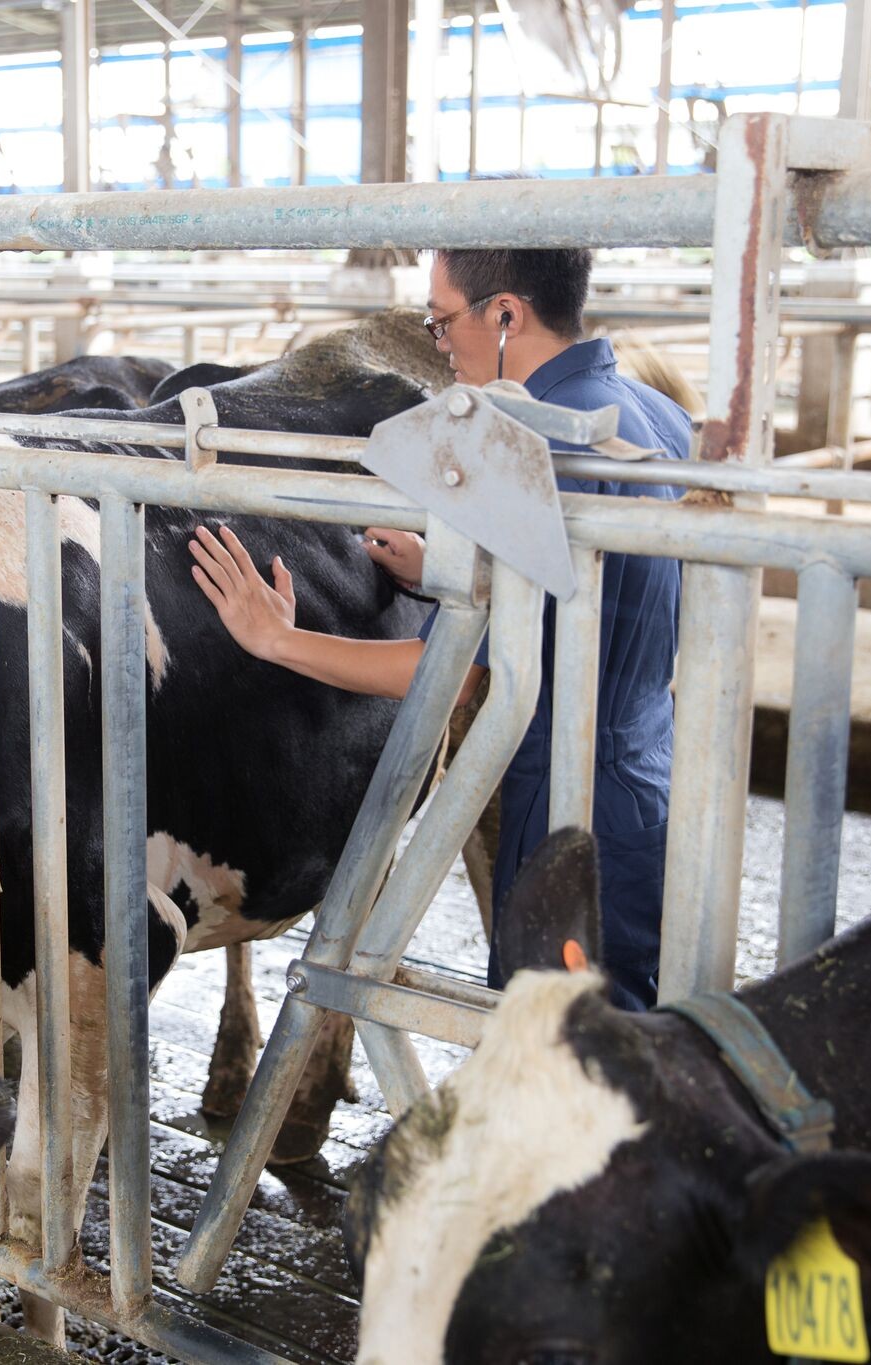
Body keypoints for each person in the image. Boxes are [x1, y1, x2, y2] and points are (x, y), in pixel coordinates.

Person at [187, 248, 692, 1009]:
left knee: (559, 1056)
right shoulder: (654, 411)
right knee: (625, 1037)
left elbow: (460, 676)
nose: (438, 342)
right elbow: (596, 589)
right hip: (649, 771)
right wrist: (449, 573)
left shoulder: (540, 447)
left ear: (507, 315)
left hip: (569, 802)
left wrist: (278, 639)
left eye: (442, 319)